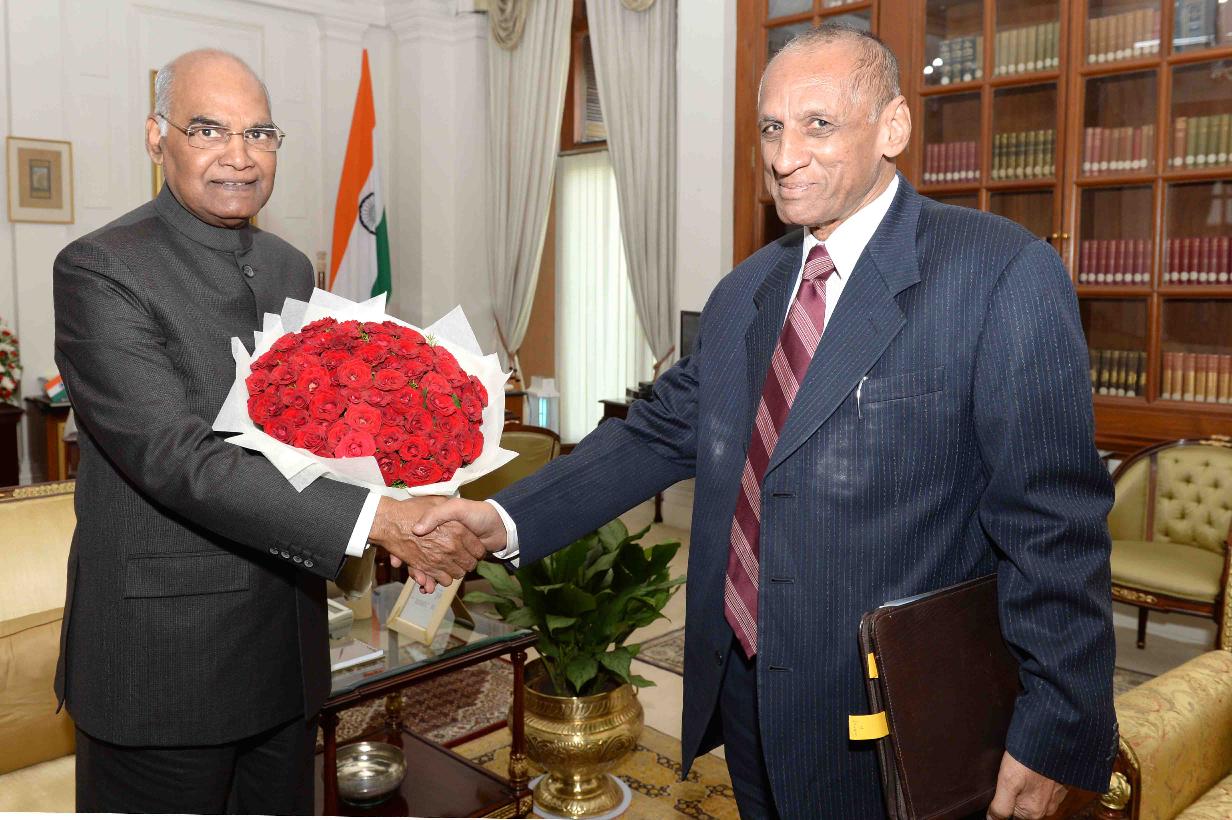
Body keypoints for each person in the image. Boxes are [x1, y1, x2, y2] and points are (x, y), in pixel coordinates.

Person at [415, 24, 1117, 820]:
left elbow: (1053, 522)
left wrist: (1057, 725)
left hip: (895, 710)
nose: (785, 156)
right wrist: (499, 519)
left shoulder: (999, 272)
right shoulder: (745, 292)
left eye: (818, 125)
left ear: (892, 127)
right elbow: (657, 431)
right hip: (746, 692)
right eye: (772, 127)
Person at [53, 49, 485, 814]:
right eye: (209, 130)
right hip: (165, 666)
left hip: (286, 646)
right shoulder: (101, 269)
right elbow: (177, 459)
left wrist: (410, 490)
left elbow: (316, 434)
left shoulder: (288, 267)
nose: (240, 156)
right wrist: (381, 521)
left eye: (260, 134)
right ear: (157, 138)